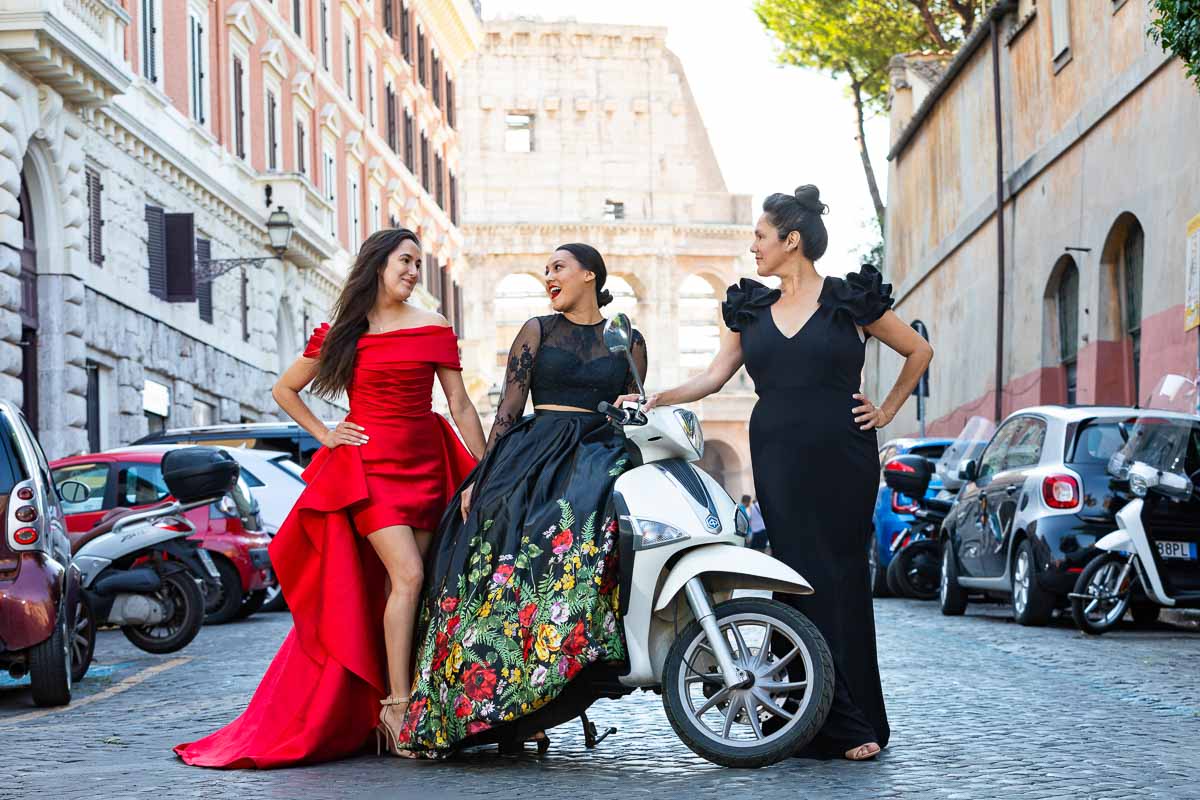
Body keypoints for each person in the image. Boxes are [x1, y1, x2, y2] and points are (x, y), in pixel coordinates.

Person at [625, 185, 932, 761]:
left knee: (841, 578)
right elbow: (714, 377)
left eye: (761, 237)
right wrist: (655, 397)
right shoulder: (750, 308)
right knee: (792, 575)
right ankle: (800, 713)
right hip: (778, 456)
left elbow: (918, 351)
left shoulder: (850, 300)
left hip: (844, 453)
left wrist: (886, 411)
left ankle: (854, 719)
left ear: (791, 240)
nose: (753, 248)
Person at [174, 228, 484, 767]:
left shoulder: (434, 327)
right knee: (408, 577)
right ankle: (396, 706)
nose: (414, 271)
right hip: (369, 472)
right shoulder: (345, 332)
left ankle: (404, 703)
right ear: (378, 265)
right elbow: (284, 389)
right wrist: (325, 433)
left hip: (426, 467)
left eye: (418, 263)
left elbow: (459, 403)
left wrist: (484, 471)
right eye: (405, 261)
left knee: (405, 586)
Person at [395, 243, 646, 756]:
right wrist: (480, 478)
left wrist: (632, 406)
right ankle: (503, 700)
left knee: (586, 544)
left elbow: (638, 402)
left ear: (590, 276)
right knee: (502, 546)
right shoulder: (537, 329)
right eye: (545, 269)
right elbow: (508, 410)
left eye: (558, 268)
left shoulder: (628, 337)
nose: (547, 276)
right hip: (533, 455)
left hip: (597, 456)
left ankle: (563, 672)